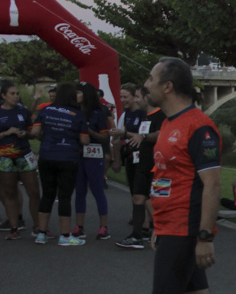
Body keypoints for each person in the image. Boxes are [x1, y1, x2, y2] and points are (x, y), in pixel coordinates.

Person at [97, 57, 236, 294]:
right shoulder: (171, 123)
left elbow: (211, 184)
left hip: (187, 228)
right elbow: (169, 181)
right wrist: (158, 225)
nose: (146, 85)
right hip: (172, 225)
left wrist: (205, 235)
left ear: (168, 86)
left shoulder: (199, 127)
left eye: (151, 79)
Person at [29, 83, 89, 246]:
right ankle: (64, 236)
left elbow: (34, 133)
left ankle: (41, 234)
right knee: (64, 196)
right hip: (68, 158)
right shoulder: (77, 114)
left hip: (47, 156)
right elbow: (84, 140)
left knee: (47, 194)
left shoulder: (46, 110)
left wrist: (47, 137)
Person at [115, 87, 165, 249]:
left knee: (159, 201)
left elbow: (162, 133)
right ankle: (136, 235)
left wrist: (143, 136)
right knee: (138, 198)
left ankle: (164, 234)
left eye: (137, 97)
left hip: (157, 166)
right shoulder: (144, 116)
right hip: (142, 164)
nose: (135, 100)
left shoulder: (161, 114)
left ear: (146, 97)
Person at [72, 82, 113, 241]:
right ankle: (79, 226)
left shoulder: (98, 112)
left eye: (79, 93)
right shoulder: (74, 111)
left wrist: (87, 130)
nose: (76, 96)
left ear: (86, 95)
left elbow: (104, 136)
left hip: (95, 155)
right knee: (80, 191)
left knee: (97, 190)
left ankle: (103, 227)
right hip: (79, 155)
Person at [0, 80, 39, 240]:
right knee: (10, 192)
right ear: (3, 96)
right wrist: (6, 133)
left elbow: (32, 132)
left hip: (24, 155)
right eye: (12, 94)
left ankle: (39, 227)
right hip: (5, 157)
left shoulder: (23, 111)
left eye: (17, 94)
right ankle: (14, 227)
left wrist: (26, 134)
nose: (16, 97)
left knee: (34, 192)